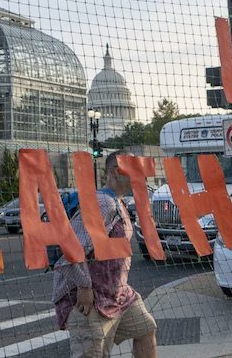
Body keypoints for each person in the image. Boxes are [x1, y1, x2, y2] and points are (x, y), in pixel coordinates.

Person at [52, 152, 157, 358]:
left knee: (145, 328)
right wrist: (84, 286)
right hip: (90, 299)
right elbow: (71, 247)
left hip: (118, 295)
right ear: (116, 172)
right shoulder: (102, 203)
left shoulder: (118, 202)